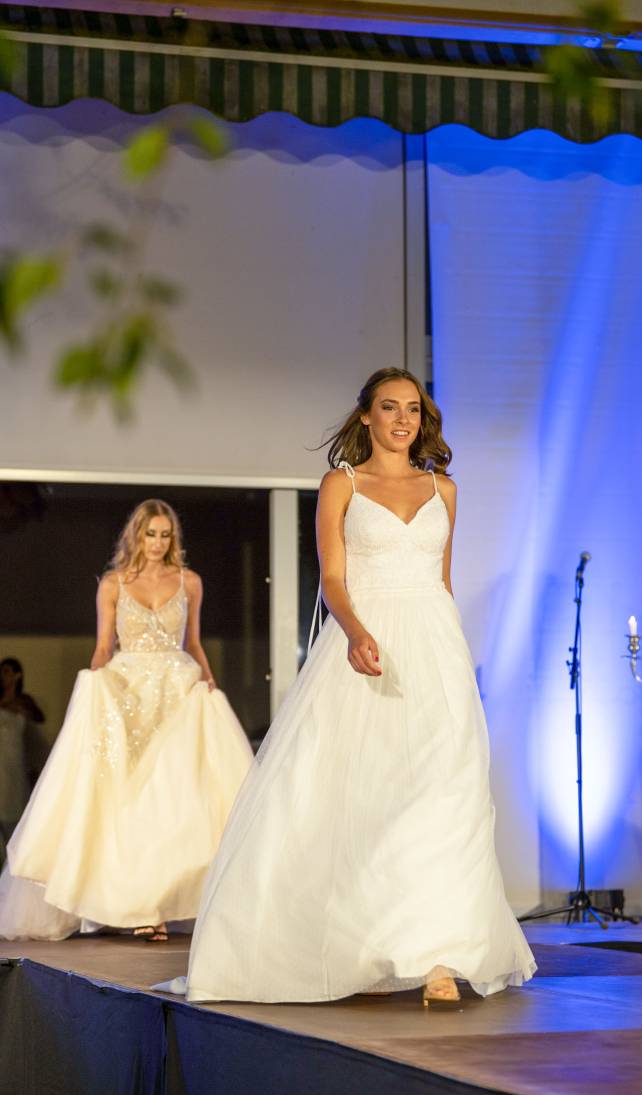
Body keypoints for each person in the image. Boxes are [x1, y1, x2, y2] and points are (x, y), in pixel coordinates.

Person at [164, 367, 536, 1004]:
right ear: (366, 415)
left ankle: (439, 957)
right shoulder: (343, 483)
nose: (402, 419)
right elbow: (333, 579)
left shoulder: (444, 489)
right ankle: (360, 946)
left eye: (413, 409)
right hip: (365, 642)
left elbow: (442, 582)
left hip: (435, 649)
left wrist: (457, 659)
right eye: (389, 407)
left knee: (446, 794)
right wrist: (358, 631)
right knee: (358, 795)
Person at [0, 499, 252, 942]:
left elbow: (192, 643)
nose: (158, 542)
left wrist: (210, 683)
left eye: (165, 534)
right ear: (137, 535)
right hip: (126, 694)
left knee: (173, 800)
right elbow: (104, 646)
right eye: (151, 533)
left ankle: (159, 906)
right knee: (124, 799)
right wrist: (92, 686)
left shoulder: (190, 582)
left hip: (177, 694)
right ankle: (135, 903)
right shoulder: (113, 584)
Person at [0, 658, 45, 859]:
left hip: (15, 766)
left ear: (17, 676)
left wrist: (19, 708)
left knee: (15, 825)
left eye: (7, 672)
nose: (3, 676)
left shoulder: (24, 702)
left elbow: (39, 717)